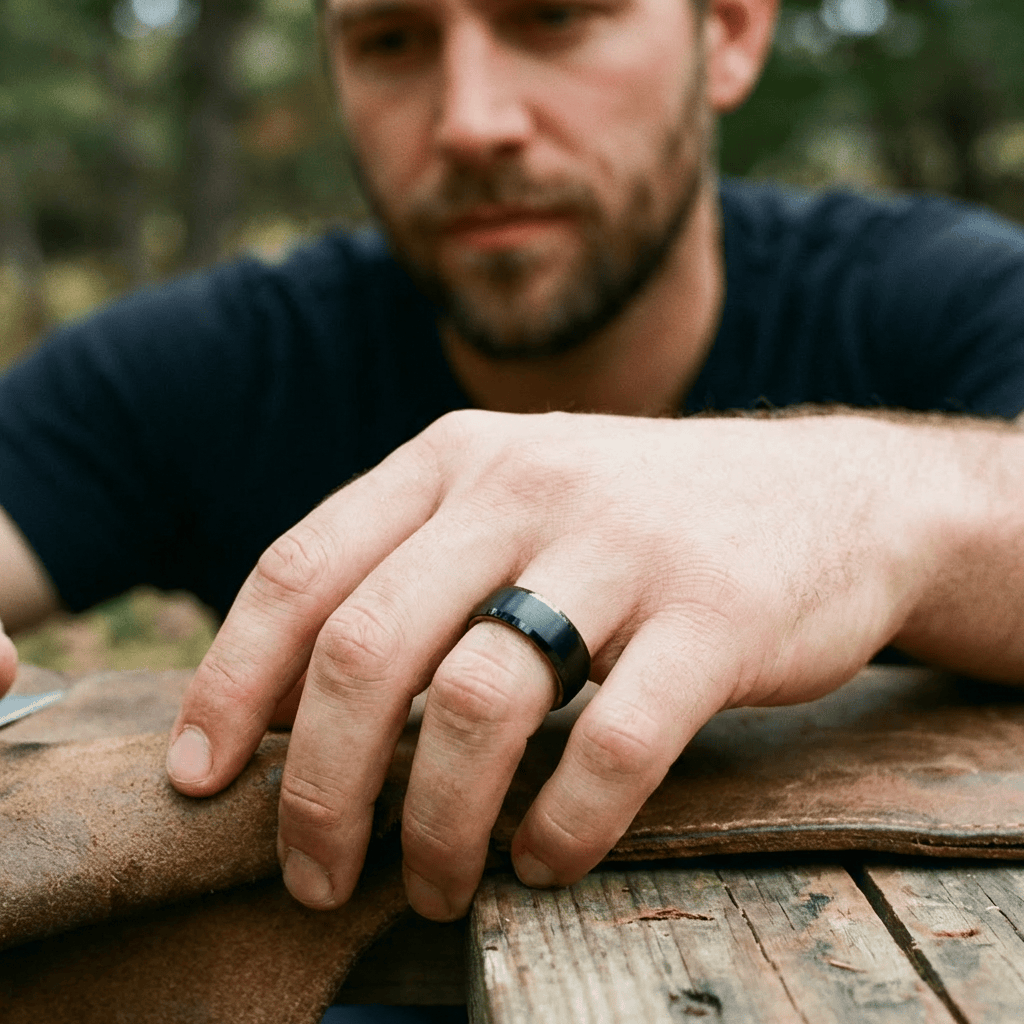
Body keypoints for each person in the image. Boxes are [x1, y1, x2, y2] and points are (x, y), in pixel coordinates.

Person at [3, 0, 1024, 935]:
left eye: (553, 16)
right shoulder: (220, 358)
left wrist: (849, 496)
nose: (469, 122)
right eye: (392, 40)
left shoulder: (936, 294)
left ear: (729, 34)